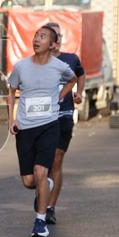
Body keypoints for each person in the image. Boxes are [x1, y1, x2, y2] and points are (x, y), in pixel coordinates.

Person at [6, 25, 76, 237]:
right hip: (26, 128)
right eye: (36, 35)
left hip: (49, 126)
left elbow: (73, 79)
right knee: (29, 181)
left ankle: (40, 221)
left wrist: (61, 96)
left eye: (43, 37)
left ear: (53, 44)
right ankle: (46, 186)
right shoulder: (21, 67)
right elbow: (11, 91)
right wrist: (11, 118)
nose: (37, 39)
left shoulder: (59, 67)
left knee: (41, 172)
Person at [43, 22, 85, 226]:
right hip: (42, 118)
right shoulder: (39, 61)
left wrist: (79, 92)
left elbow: (81, 74)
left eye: (59, 36)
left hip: (64, 115)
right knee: (42, 164)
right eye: (53, 36)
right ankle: (44, 190)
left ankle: (50, 207)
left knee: (57, 160)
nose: (56, 40)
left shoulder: (71, 59)